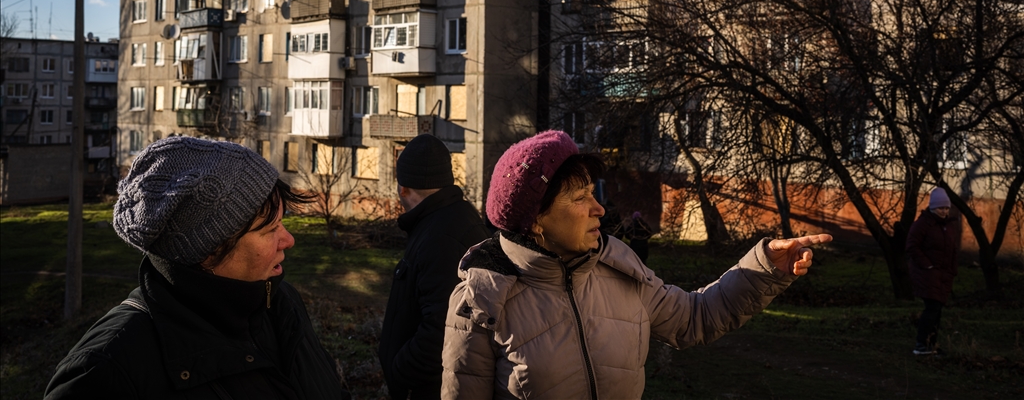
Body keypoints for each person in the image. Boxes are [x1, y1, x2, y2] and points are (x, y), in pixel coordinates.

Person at [441, 130, 832, 400]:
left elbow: (694, 318)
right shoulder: (482, 300)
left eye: (592, 193)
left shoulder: (618, 264)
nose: (598, 208)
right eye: (579, 198)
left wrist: (763, 267)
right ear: (536, 220)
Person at [44, 136, 346, 399]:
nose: (289, 240)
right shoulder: (106, 372)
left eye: (283, 222)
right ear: (209, 250)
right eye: (270, 230)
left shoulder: (281, 303)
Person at [379, 134, 490, 400]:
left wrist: (402, 372)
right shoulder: (452, 218)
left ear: (403, 188)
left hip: (430, 389)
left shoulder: (440, 237)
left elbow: (440, 328)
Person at [906, 187, 960, 355]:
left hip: (943, 275)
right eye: (940, 208)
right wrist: (927, 265)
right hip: (927, 274)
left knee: (936, 310)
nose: (944, 211)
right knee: (932, 308)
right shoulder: (923, 224)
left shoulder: (948, 226)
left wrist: (952, 270)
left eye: (946, 208)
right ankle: (922, 345)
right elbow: (912, 246)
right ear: (932, 207)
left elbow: (952, 249)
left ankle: (930, 344)